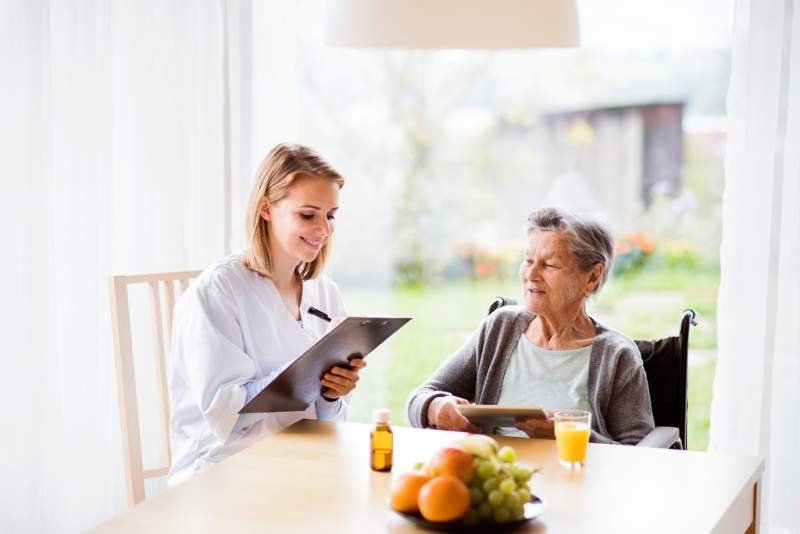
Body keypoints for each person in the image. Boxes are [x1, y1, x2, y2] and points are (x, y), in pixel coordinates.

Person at [168, 143, 365, 484]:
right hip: (225, 473)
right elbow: (226, 413)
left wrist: (333, 392)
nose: (324, 229)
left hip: (302, 464)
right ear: (266, 209)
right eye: (308, 214)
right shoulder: (220, 290)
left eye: (330, 215)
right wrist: (304, 375)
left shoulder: (324, 292)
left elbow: (329, 420)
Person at [406, 207, 654, 445]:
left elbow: (641, 456)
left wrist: (571, 435)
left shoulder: (617, 355)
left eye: (549, 265)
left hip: (571, 483)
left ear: (592, 276)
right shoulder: (501, 327)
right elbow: (419, 398)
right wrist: (436, 407)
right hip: (493, 476)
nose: (531, 274)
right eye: (528, 260)